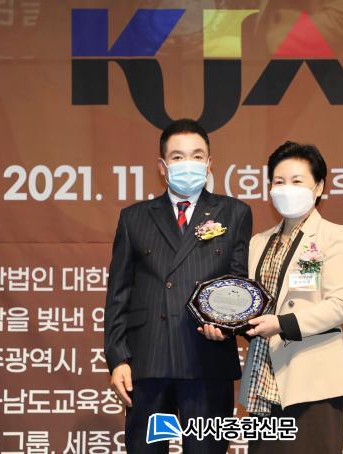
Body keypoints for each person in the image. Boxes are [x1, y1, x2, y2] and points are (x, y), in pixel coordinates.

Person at [104, 118, 253, 453]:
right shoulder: (134, 217)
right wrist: (118, 359)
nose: (189, 164)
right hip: (148, 359)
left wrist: (226, 325)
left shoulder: (234, 213)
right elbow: (118, 295)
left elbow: (237, 283)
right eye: (178, 157)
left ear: (210, 163)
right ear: (162, 166)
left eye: (197, 156)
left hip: (207, 357)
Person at [202, 141, 343, 452]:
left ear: (319, 187)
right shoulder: (259, 242)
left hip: (312, 380)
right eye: (279, 181)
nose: (287, 189)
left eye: (297, 181)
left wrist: (281, 324)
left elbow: (340, 305)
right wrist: (224, 325)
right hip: (264, 378)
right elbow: (247, 303)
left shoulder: (335, 236)